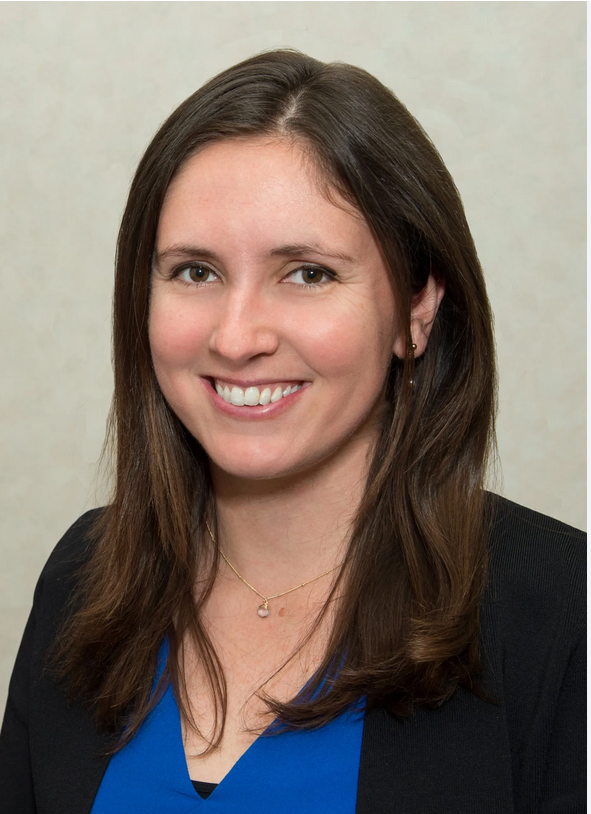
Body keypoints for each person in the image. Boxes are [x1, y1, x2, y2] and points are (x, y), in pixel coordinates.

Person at [0, 49, 585, 814]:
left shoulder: (562, 610)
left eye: (306, 272)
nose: (237, 337)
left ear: (416, 310)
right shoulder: (84, 575)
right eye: (195, 272)